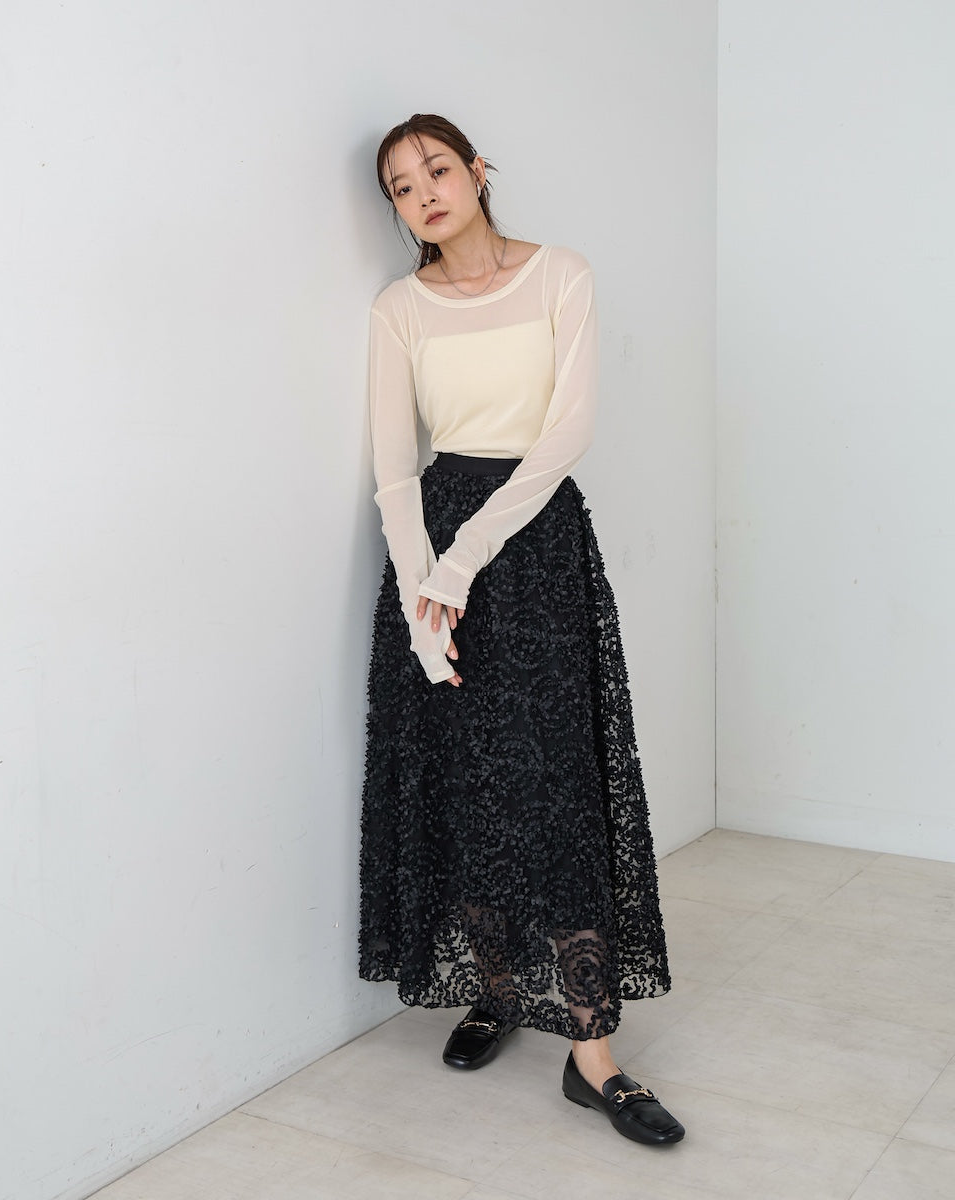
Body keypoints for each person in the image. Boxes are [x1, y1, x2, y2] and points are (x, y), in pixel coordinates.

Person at [358, 113, 684, 1147]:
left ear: (478, 170)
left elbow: (564, 433)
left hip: (532, 544)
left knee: (555, 785)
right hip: (436, 559)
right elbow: (395, 470)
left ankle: (593, 1055)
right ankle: (495, 989)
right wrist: (420, 596)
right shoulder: (399, 308)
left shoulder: (559, 275)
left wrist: (462, 561)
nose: (424, 193)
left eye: (436, 169)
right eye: (402, 187)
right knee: (469, 776)